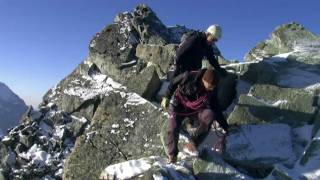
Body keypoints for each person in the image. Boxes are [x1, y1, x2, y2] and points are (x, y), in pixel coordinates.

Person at [163, 69, 229, 164]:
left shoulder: (212, 90)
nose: (211, 89)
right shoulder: (188, 76)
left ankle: (192, 144)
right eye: (210, 86)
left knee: (210, 115)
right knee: (173, 128)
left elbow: (216, 108)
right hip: (178, 105)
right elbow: (173, 82)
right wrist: (167, 96)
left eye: (213, 87)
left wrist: (226, 127)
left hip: (195, 110)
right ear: (204, 80)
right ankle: (172, 156)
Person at [162, 24, 228, 108]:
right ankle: (170, 101)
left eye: (216, 40)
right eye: (213, 39)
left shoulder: (207, 45)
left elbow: (211, 58)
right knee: (179, 83)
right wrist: (178, 66)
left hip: (194, 68)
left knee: (192, 89)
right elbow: (179, 53)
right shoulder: (195, 39)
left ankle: (190, 108)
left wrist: (219, 69)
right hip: (184, 67)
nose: (214, 41)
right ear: (208, 34)